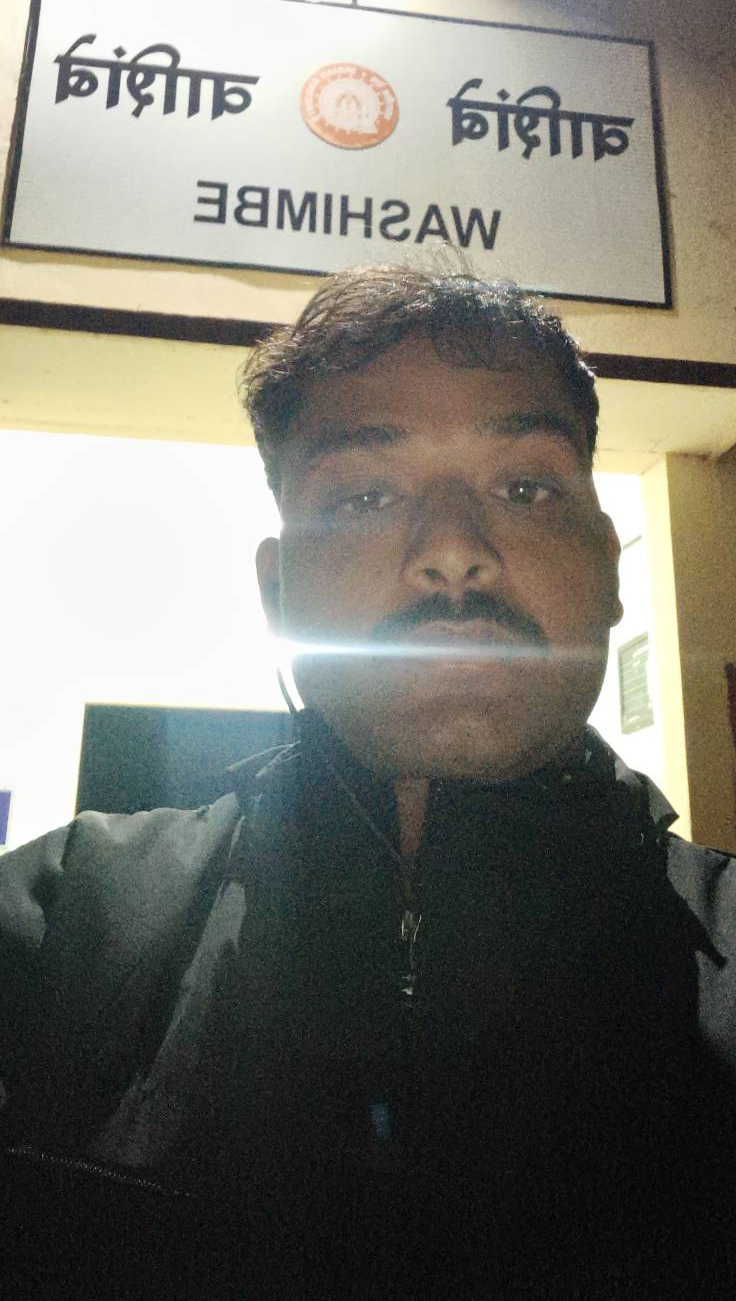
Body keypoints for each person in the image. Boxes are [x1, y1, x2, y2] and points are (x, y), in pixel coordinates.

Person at [2, 263, 736, 1301]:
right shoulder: (57, 927)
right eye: (363, 495)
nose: (453, 553)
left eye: (525, 489)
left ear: (610, 566)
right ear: (277, 592)